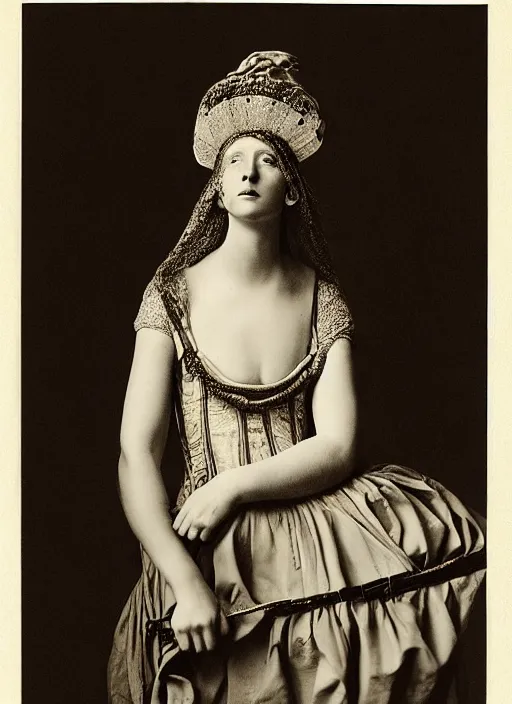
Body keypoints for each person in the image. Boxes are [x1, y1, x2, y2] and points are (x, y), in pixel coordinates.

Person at [108, 51, 486, 704]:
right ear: (217, 187)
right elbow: (135, 456)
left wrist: (234, 488)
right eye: (234, 161)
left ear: (292, 188)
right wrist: (185, 581)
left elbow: (337, 445)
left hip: (320, 534)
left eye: (269, 160)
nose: (249, 171)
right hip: (206, 547)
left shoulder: (324, 298)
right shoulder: (171, 295)